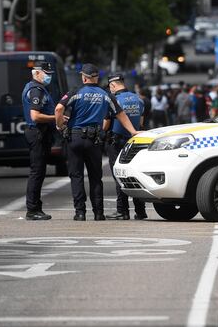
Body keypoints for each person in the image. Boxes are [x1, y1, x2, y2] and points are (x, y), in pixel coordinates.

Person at [56, 64, 141, 221]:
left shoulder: (75, 92)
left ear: (83, 77)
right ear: (96, 78)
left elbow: (58, 109)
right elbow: (120, 113)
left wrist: (60, 125)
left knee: (77, 176)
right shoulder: (105, 94)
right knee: (95, 177)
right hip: (94, 139)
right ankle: (98, 213)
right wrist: (133, 131)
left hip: (75, 138)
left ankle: (80, 212)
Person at [104, 73, 149, 221]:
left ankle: (122, 211)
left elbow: (106, 125)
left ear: (113, 85)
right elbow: (141, 122)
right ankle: (141, 210)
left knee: (119, 175)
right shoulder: (138, 99)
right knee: (135, 174)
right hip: (134, 142)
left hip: (116, 142)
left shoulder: (114, 100)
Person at [21, 63, 57, 221]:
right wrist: (57, 118)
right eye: (45, 73)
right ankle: (32, 209)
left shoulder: (35, 87)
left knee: (39, 172)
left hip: (38, 133)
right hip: (37, 133)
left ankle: (35, 207)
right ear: (36, 73)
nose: (48, 76)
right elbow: (35, 116)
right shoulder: (36, 90)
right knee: (37, 172)